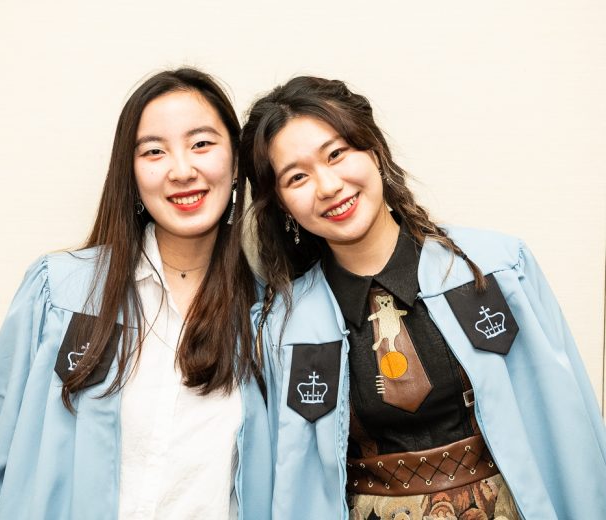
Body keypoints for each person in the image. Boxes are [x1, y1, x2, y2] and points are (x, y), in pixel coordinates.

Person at [239, 76, 606, 519]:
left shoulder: (496, 270)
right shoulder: (282, 330)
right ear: (281, 203)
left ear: (374, 151)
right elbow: (275, 482)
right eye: (297, 177)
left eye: (336, 154)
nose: (328, 185)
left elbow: (569, 424)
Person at [0, 68, 271, 520]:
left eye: (201, 144)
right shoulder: (61, 294)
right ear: (131, 174)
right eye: (154, 151)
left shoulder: (268, 319)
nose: (181, 170)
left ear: (236, 164)